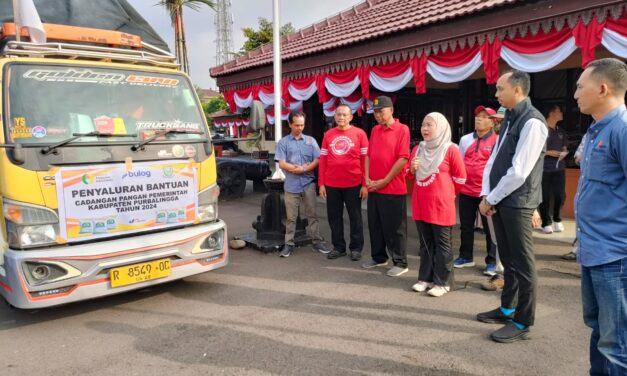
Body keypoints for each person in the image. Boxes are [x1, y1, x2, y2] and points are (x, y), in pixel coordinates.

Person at [476, 70, 548, 343]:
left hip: (517, 203)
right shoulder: (508, 119)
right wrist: (487, 195)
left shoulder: (532, 122)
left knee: (523, 264)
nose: (496, 94)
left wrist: (491, 198)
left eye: (500, 89)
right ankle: (507, 307)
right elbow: (494, 161)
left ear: (517, 89)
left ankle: (522, 321)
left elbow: (520, 172)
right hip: (500, 200)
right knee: (507, 259)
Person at [573, 57, 627, 375]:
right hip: (593, 251)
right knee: (598, 329)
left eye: (581, 87)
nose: (576, 93)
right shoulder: (596, 131)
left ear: (603, 88)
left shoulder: (621, 129)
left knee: (616, 342)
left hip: (615, 254)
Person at [408, 113, 466, 297]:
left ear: (440, 127)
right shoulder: (418, 149)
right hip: (421, 202)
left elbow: (460, 178)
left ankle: (443, 282)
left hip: (441, 204)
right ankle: (425, 278)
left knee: (443, 245)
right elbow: (409, 177)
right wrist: (412, 169)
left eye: (429, 125)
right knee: (425, 243)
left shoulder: (450, 149)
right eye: (423, 125)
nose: (424, 129)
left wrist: (446, 193)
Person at [362, 96, 410, 277]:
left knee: (395, 228)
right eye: (375, 112)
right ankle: (379, 257)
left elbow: (403, 158)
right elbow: (368, 156)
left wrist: (385, 180)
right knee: (375, 225)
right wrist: (367, 177)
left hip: (393, 188)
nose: (378, 116)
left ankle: (400, 261)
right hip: (374, 187)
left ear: (391, 110)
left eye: (381, 111)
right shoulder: (375, 130)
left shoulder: (402, 129)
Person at [275, 110, 331, 258]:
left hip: (308, 184)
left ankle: (317, 241)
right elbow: (281, 163)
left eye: (302, 125)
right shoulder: (283, 143)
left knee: (312, 214)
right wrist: (296, 169)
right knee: (291, 217)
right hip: (291, 185)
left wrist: (304, 168)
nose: (300, 128)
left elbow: (318, 160)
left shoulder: (311, 141)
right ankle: (289, 244)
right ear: (290, 124)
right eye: (297, 125)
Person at [319, 104, 369, 261]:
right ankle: (339, 247)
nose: (341, 117)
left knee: (355, 217)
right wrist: (321, 183)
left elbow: (365, 160)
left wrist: (365, 184)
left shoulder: (360, 134)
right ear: (334, 117)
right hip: (332, 184)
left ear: (351, 117)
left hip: (354, 183)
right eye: (338, 114)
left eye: (344, 115)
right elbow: (323, 160)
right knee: (334, 217)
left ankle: (356, 248)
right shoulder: (328, 135)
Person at [454, 106, 498, 276]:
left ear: (492, 122)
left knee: (490, 229)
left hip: (486, 193)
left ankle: (492, 262)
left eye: (483, 117)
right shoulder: (465, 139)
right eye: (477, 116)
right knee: (466, 226)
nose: (478, 119)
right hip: (466, 190)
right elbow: (459, 162)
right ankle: (465, 257)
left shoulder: (497, 140)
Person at [539, 105, 569, 234]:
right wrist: (548, 152)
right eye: (558, 111)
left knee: (560, 195)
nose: (561, 113)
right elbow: (534, 149)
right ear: (551, 113)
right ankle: (545, 222)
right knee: (544, 196)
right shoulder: (541, 130)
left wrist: (564, 151)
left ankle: (557, 219)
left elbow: (565, 147)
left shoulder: (561, 131)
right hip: (543, 169)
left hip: (558, 169)